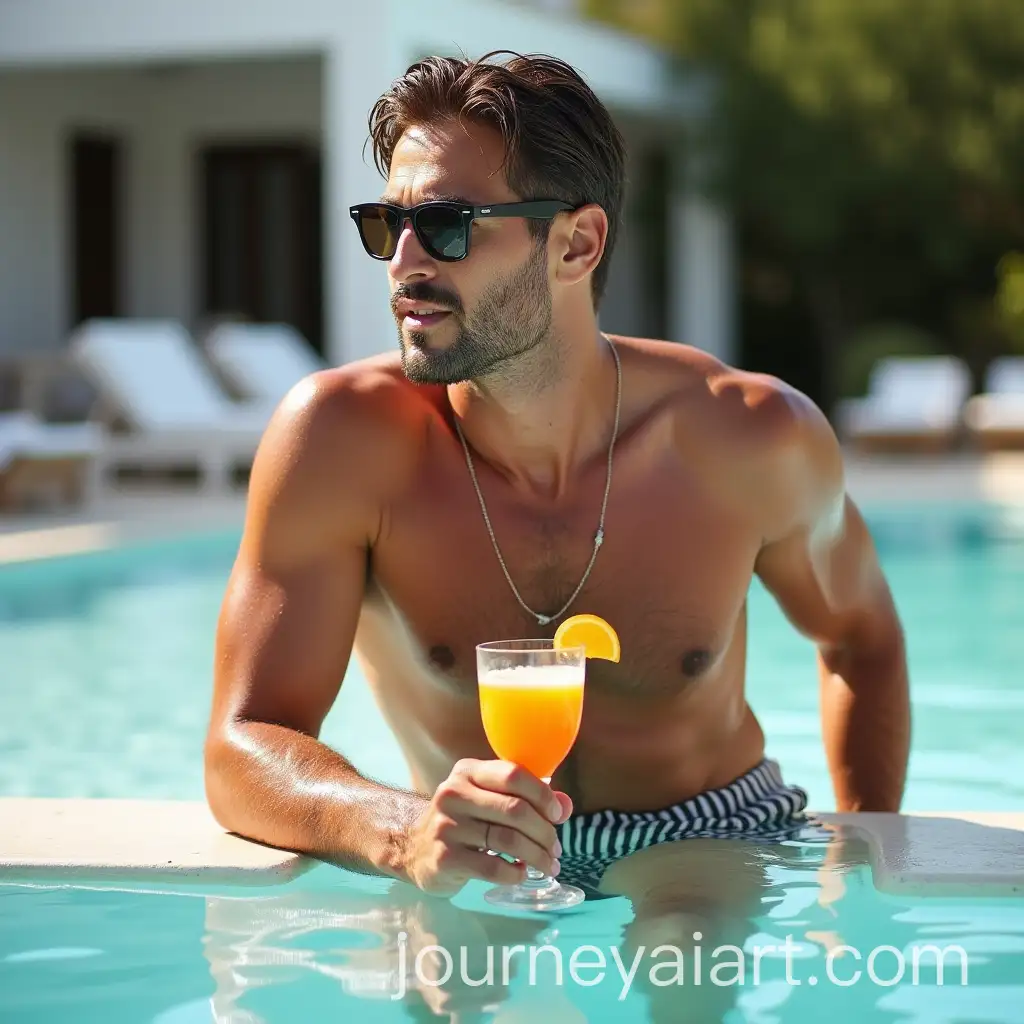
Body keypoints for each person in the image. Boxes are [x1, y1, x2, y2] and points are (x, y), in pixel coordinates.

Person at [203, 51, 910, 900]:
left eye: (450, 224)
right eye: (387, 226)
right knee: (452, 989)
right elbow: (243, 743)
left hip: (713, 831)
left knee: (683, 960)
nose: (403, 265)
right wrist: (397, 830)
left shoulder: (751, 436)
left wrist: (865, 880)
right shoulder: (340, 441)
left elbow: (863, 640)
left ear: (576, 243)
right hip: (468, 836)